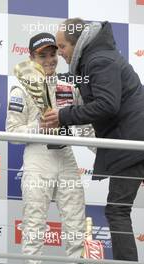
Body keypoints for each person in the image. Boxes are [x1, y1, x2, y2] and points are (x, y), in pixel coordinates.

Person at [44, 18, 144, 261]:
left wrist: (63, 115)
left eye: (62, 47)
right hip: (132, 141)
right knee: (118, 210)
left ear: (77, 43)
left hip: (133, 144)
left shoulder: (98, 60)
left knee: (117, 210)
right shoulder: (96, 57)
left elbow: (107, 105)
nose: (60, 54)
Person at [6, 32, 87, 264]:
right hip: (38, 160)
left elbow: (86, 124)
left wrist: (104, 152)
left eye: (53, 54)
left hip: (66, 157)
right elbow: (12, 134)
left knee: (76, 225)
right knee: (34, 226)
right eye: (43, 56)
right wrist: (39, 125)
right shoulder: (20, 89)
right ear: (31, 57)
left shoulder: (68, 86)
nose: (50, 60)